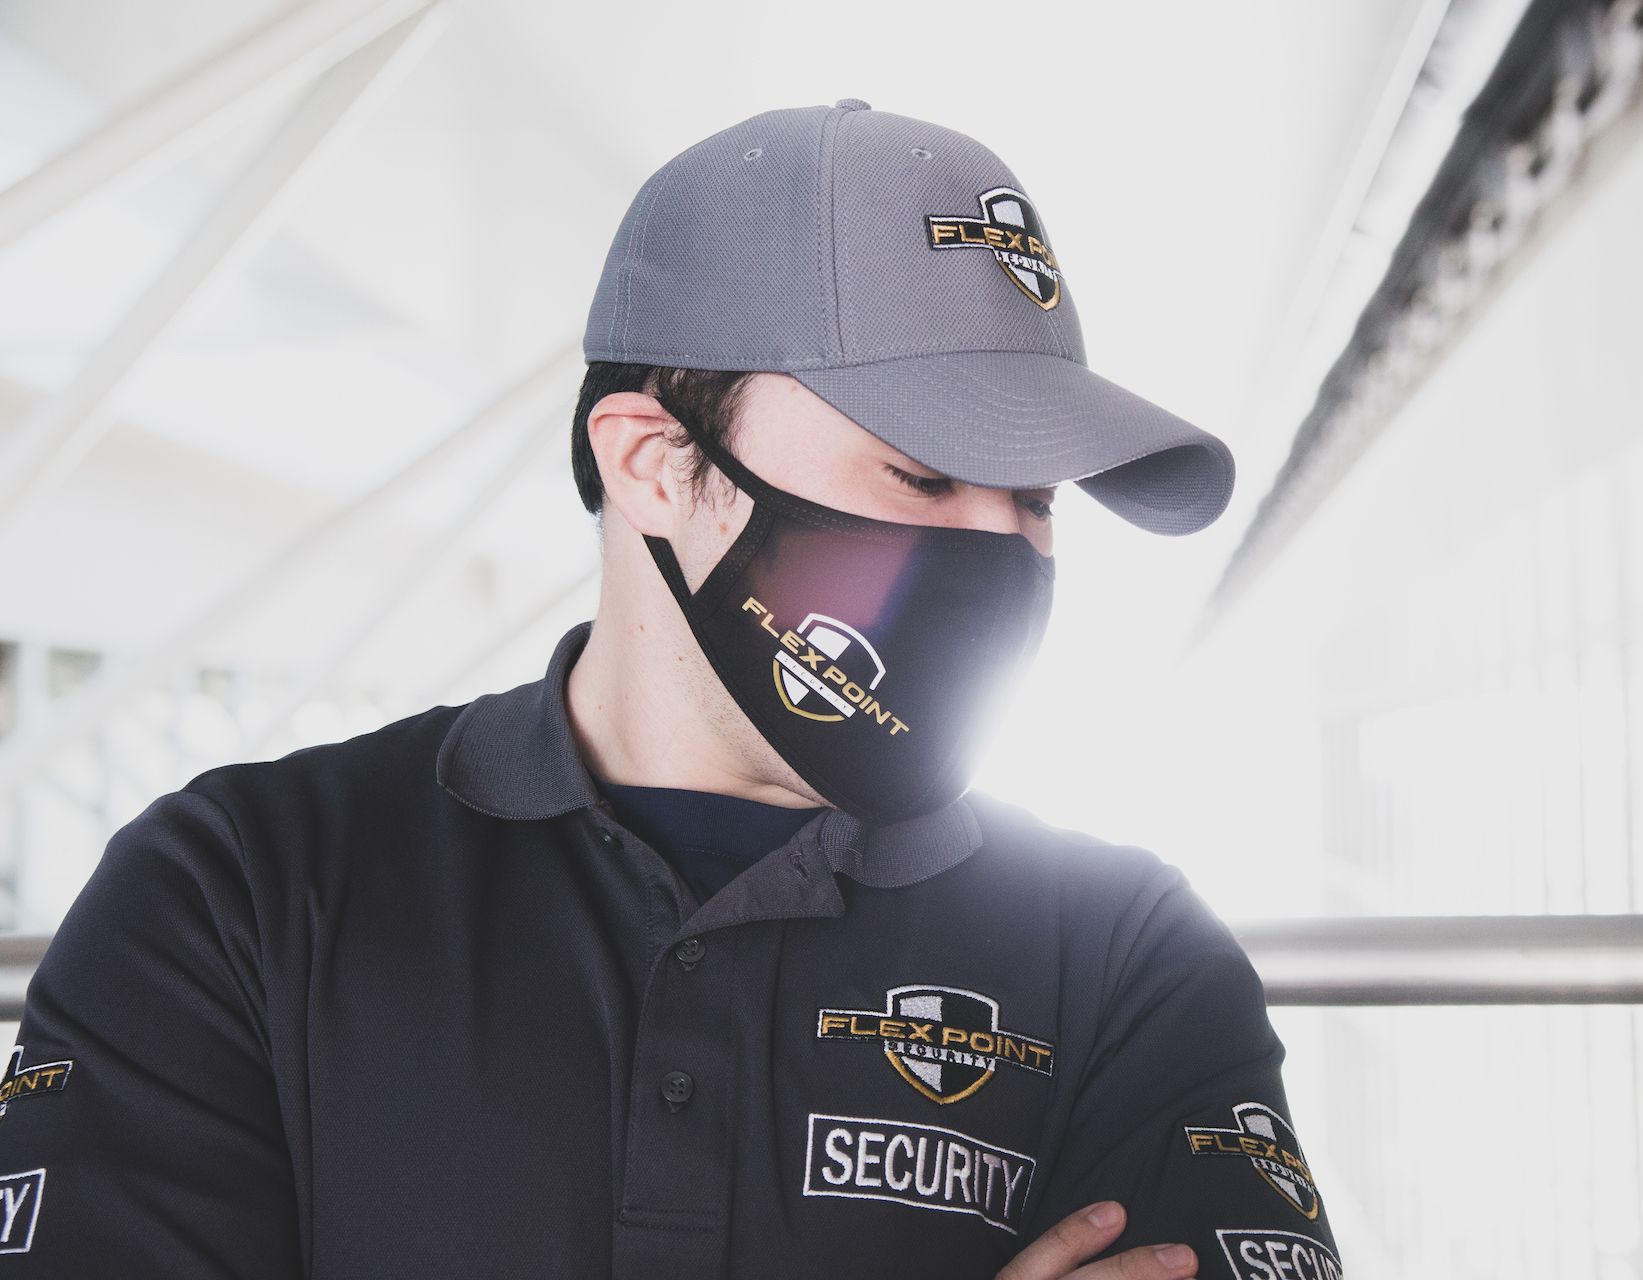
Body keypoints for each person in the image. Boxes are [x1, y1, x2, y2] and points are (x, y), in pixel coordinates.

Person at [0, 100, 1342, 1279]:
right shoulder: (240, 894)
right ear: (653, 462)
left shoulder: (1129, 960)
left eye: (1040, 498)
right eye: (922, 474)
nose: (1002, 549)